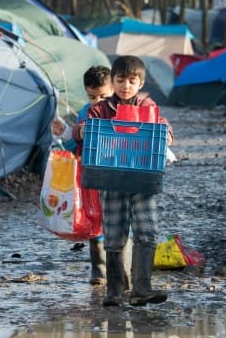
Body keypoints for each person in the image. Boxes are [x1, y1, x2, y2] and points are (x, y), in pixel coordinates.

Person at [72, 55, 174, 307]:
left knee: (147, 232)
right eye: (120, 80)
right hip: (110, 179)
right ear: (113, 81)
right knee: (115, 235)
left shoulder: (148, 107)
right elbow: (80, 127)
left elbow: (164, 127)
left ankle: (141, 289)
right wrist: (83, 130)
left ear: (140, 83)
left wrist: (168, 136)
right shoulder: (101, 109)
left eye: (132, 80)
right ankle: (114, 292)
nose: (125, 85)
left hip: (143, 179)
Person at [51, 65, 132, 287]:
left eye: (103, 96)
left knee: (121, 224)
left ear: (113, 89)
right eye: (92, 96)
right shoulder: (85, 112)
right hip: (93, 177)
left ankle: (125, 272)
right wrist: (65, 135)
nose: (97, 101)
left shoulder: (123, 111)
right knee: (96, 221)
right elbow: (76, 147)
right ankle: (99, 270)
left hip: (119, 175)